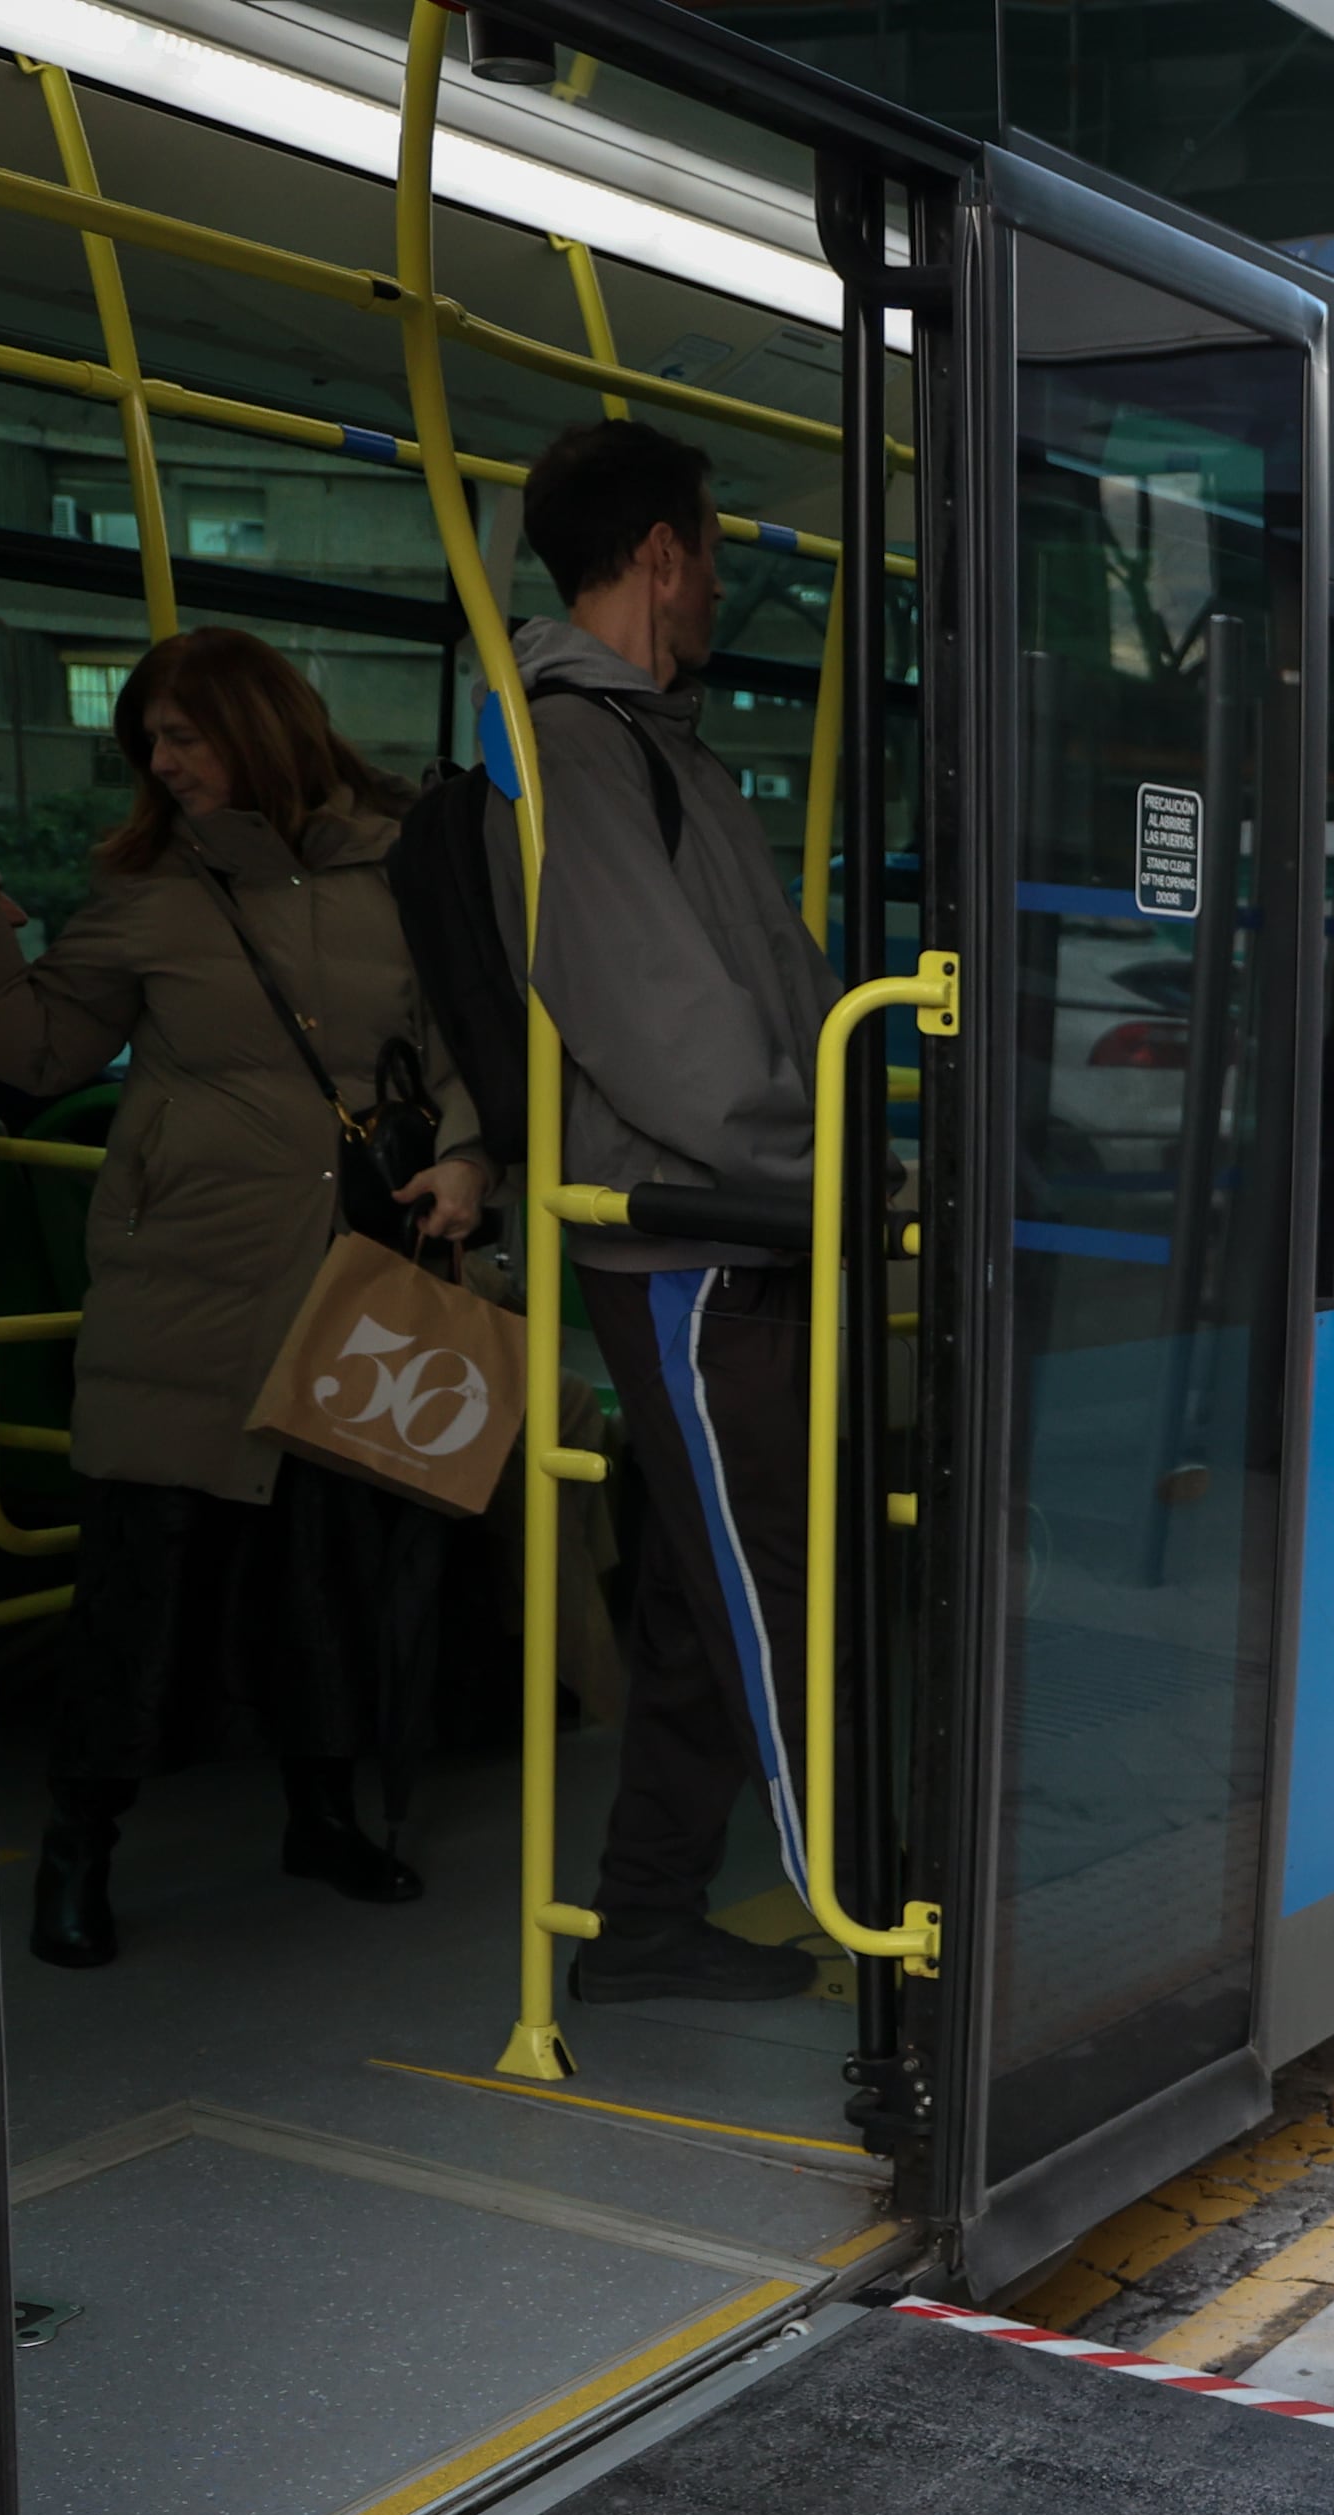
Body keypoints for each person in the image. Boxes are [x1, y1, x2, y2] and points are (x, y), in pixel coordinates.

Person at [0, 626, 491, 1971]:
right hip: (185, 1279)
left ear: (259, 728)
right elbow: (37, 1050)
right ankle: (79, 1845)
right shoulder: (147, 888)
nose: (163, 762)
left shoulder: (406, 863)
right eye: (148, 742)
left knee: (327, 1566)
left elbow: (460, 1040)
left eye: (183, 735)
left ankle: (320, 1815)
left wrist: (473, 1159)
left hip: (353, 1267)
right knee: (142, 1579)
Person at [495, 418, 840, 2005]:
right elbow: (671, 1032)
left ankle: (642, 1916)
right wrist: (827, 1170)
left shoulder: (654, 742)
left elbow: (770, 993)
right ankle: (879, 1923)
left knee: (711, 1599)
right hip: (697, 1232)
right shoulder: (579, 747)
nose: (715, 582)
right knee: (781, 1592)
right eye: (709, 548)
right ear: (659, 553)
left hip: (734, 1216)